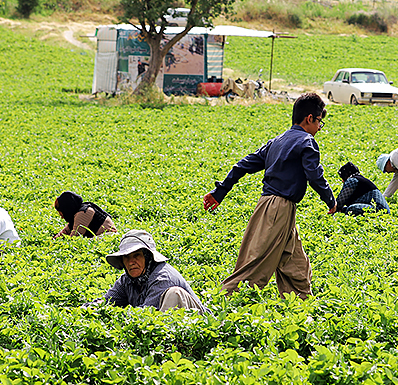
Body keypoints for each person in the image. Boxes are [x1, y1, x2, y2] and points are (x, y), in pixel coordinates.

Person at [203, 92, 336, 298]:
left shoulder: (277, 141)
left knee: (297, 267)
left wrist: (220, 192)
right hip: (278, 210)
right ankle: (218, 305)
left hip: (272, 207)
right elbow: (314, 175)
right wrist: (330, 199)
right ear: (310, 118)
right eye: (320, 122)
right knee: (253, 270)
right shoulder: (307, 142)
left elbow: (242, 166)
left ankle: (300, 308)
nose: (320, 127)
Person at [99, 230, 208, 312]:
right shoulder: (126, 280)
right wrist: (86, 309)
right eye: (126, 257)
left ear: (148, 258)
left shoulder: (163, 278)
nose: (131, 262)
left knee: (174, 293)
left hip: (196, 325)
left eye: (136, 255)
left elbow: (146, 314)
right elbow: (107, 302)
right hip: (162, 327)